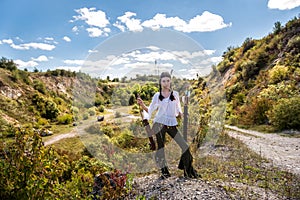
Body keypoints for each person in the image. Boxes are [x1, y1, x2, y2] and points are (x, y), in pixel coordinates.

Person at [137, 71, 198, 179]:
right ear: (160, 82)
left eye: (168, 81)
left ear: (170, 82)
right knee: (161, 148)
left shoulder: (175, 94)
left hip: (171, 124)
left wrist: (182, 113)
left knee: (184, 146)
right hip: (159, 124)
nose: (166, 83)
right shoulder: (157, 96)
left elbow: (178, 110)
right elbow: (150, 111)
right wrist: (142, 105)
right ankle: (164, 172)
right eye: (163, 81)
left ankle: (187, 170)